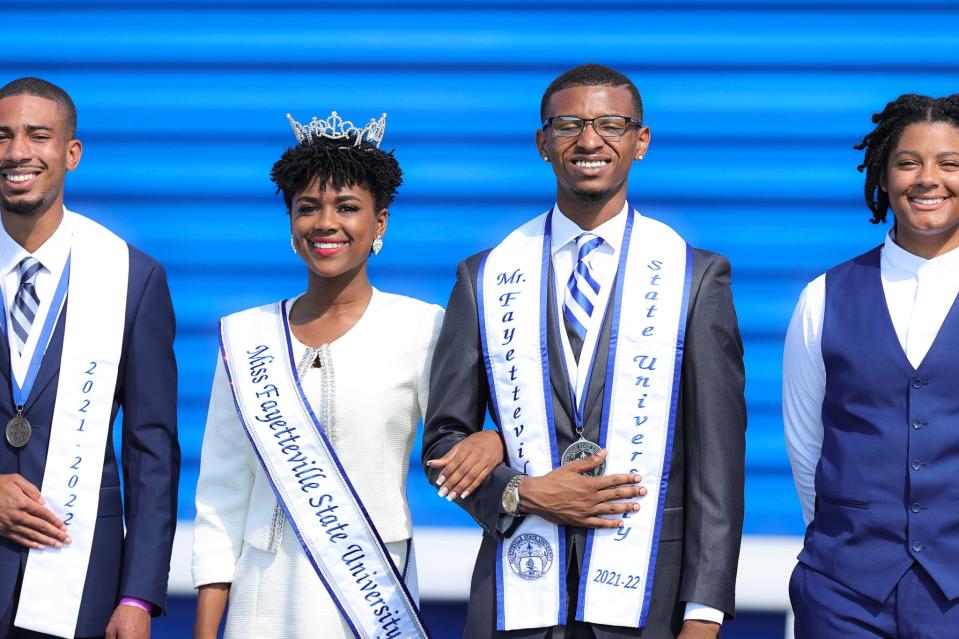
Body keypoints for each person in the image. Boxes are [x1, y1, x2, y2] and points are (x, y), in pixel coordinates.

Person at [423, 64, 746, 639]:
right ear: (543, 143)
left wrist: (704, 613)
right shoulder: (485, 277)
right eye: (568, 125)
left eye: (610, 124)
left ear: (639, 141)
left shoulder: (693, 278)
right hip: (517, 600)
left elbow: (717, 463)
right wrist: (521, 490)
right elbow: (443, 446)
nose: (589, 141)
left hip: (651, 597)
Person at [191, 110, 443, 639]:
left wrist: (488, 442)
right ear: (290, 221)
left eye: (348, 207)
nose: (326, 223)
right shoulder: (245, 336)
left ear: (380, 223)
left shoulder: (423, 326)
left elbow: (456, 440)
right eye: (309, 208)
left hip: (371, 598)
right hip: (260, 601)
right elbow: (221, 493)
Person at [0, 78, 179, 639]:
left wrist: (138, 596)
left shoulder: (132, 276)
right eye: (2, 136)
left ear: (71, 154)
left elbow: (152, 452)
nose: (17, 153)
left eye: (38, 135)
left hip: (79, 583)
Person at [784, 94, 959, 638]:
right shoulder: (823, 296)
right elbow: (805, 443)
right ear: (883, 177)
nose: (928, 179)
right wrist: (849, 545)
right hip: (845, 597)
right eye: (908, 162)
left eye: (950, 163)